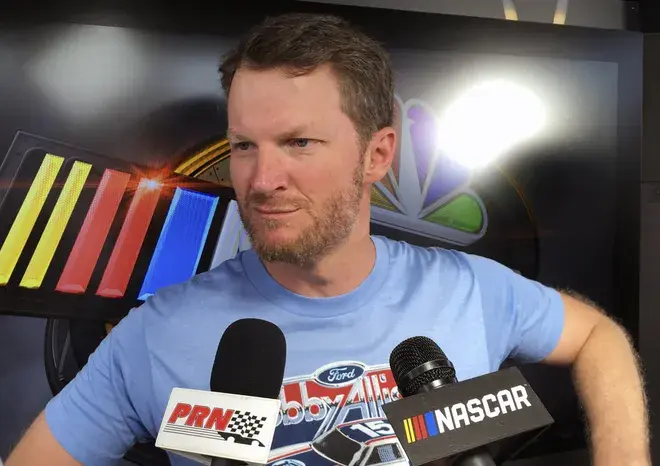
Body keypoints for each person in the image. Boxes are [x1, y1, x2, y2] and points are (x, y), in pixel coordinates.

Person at [6, 12, 649, 466]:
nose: (262, 179)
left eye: (299, 142)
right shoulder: (155, 335)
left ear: (378, 154)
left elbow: (599, 335)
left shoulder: (470, 290)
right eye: (243, 146)